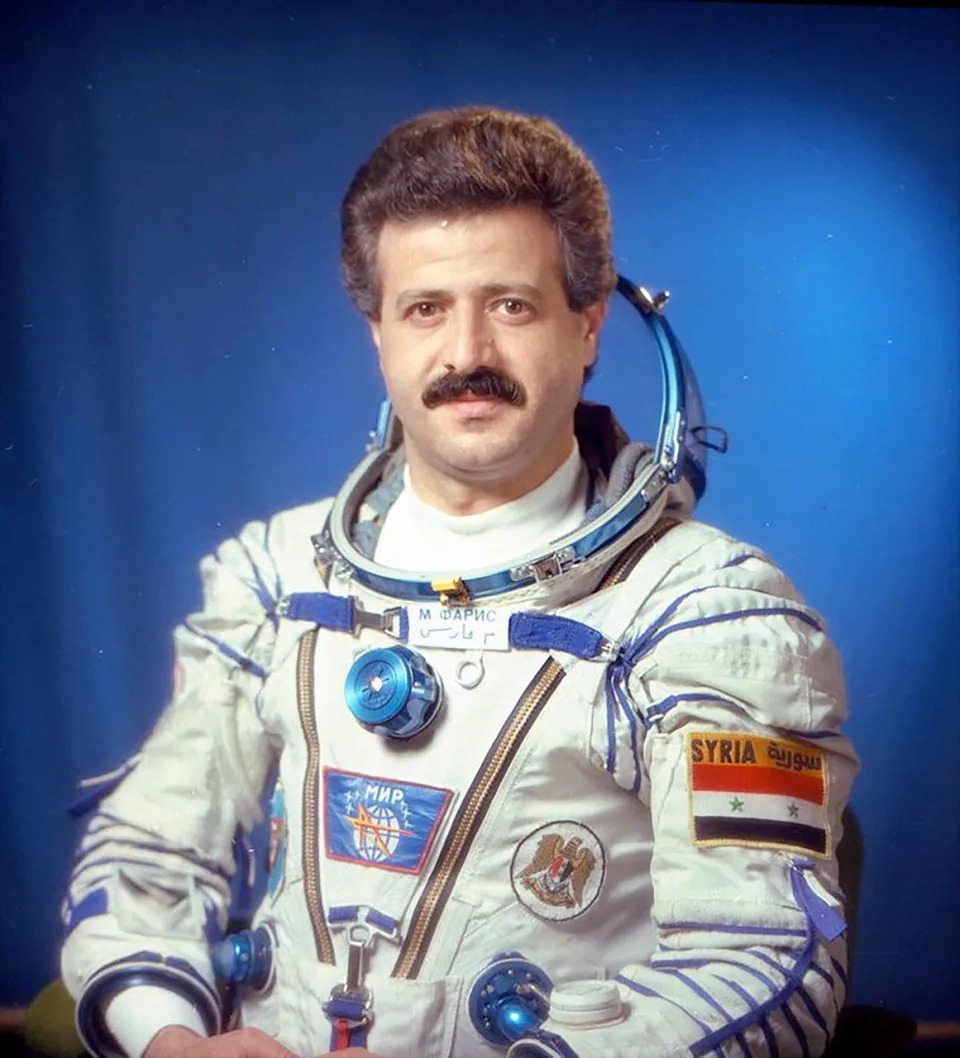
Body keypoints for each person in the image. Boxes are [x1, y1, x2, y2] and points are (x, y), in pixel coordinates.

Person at [60, 106, 859, 1058]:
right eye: (426, 308)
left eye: (511, 305)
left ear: (589, 325)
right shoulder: (275, 576)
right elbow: (149, 854)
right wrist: (173, 1043)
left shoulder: (709, 612)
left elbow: (762, 964)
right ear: (380, 334)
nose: (466, 353)